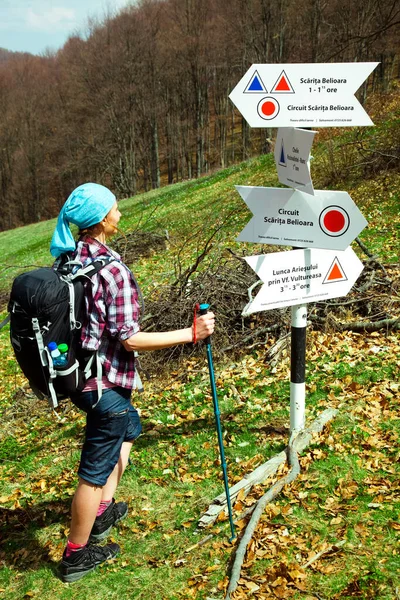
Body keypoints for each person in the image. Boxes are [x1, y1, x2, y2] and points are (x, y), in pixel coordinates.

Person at [50, 183, 215, 583]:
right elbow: (130, 338)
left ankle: (103, 510)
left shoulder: (70, 259)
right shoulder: (112, 271)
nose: (120, 213)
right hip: (104, 382)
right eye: (115, 208)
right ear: (102, 220)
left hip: (80, 376)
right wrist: (191, 334)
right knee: (94, 468)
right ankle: (75, 555)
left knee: (129, 426)